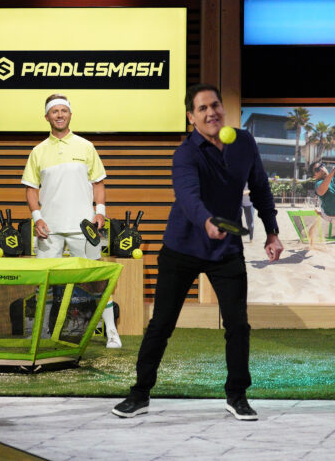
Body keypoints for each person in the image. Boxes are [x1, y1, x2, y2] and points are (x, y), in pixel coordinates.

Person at [112, 84, 284, 421]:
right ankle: (140, 393)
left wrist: (272, 232)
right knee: (162, 324)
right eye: (202, 108)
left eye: (215, 105)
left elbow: (261, 188)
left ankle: (237, 396)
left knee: (238, 325)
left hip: (226, 250)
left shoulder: (244, 143)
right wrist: (206, 221)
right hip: (183, 247)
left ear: (223, 108)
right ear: (191, 117)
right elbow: (188, 196)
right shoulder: (185, 154)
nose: (211, 113)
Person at [21, 93, 122, 349]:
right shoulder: (37, 151)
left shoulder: (86, 146)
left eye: (63, 111)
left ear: (70, 115)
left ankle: (111, 332)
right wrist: (37, 218)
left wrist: (100, 212)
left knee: (97, 280)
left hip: (84, 228)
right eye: (54, 111)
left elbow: (98, 183)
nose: (59, 115)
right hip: (49, 229)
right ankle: (41, 334)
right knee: (43, 283)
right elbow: (31, 189)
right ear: (47, 117)